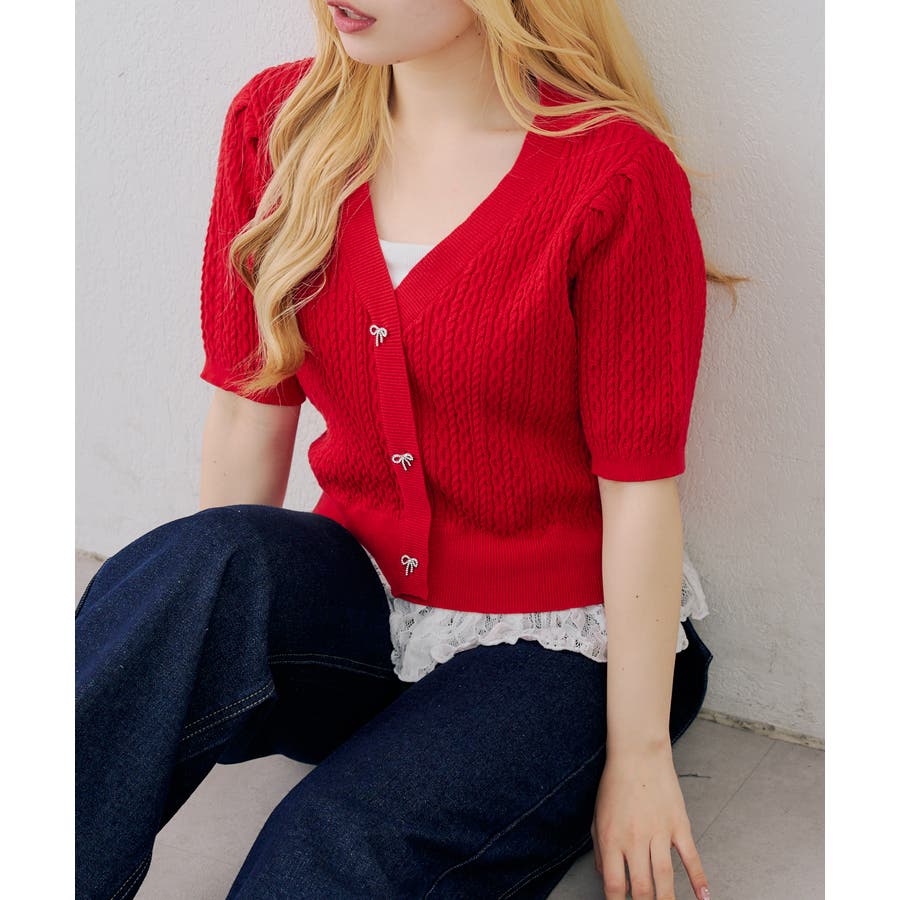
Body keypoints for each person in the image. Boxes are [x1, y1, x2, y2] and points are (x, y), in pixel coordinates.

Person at [76, 1, 746, 898]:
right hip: (359, 608)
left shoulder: (613, 174)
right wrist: (213, 648)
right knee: (192, 564)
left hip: (557, 648)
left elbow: (639, 490)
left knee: (329, 848)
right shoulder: (279, 126)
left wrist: (640, 758)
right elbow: (246, 409)